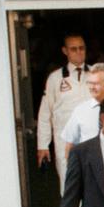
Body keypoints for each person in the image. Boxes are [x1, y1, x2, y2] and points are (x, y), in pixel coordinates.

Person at [35, 32, 91, 193]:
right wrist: (42, 146)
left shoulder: (96, 74)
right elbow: (46, 115)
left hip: (93, 139)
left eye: (82, 48)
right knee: (70, 189)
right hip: (65, 142)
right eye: (74, 49)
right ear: (65, 51)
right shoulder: (55, 79)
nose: (79, 52)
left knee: (96, 188)